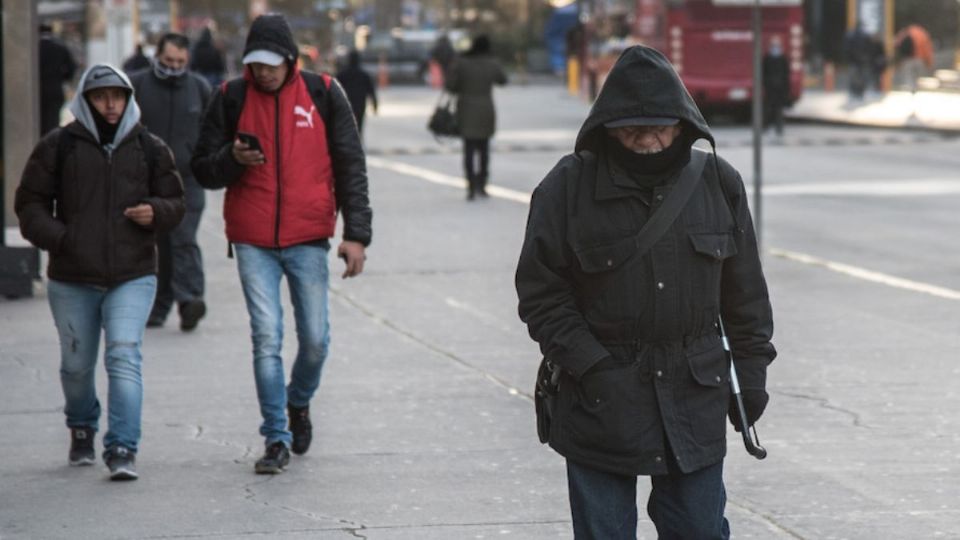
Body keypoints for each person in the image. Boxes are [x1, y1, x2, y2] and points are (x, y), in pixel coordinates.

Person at [515, 45, 776, 539]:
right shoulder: (566, 189)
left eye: (659, 126)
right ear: (608, 126)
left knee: (700, 530)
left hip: (693, 397)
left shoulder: (719, 183)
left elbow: (745, 297)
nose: (647, 140)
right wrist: (591, 365)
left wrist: (752, 371)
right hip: (600, 399)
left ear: (683, 122)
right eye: (632, 128)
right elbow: (540, 293)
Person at [191, 13, 372, 475]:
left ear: (290, 59)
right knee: (266, 337)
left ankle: (298, 402)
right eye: (256, 63)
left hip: (309, 236)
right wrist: (233, 159)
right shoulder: (230, 97)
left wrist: (356, 235)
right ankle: (275, 437)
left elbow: (351, 166)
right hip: (252, 239)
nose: (264, 72)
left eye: (272, 63)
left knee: (314, 340)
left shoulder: (324, 94)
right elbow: (203, 169)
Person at [15, 64, 184, 481]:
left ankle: (123, 446)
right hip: (72, 277)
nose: (111, 105)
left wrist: (156, 212)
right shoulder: (59, 146)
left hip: (133, 273)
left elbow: (176, 201)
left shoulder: (150, 147)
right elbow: (29, 205)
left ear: (129, 98)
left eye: (118, 96)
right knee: (76, 366)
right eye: (101, 96)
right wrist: (62, 238)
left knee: (124, 355)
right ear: (85, 100)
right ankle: (82, 425)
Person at [130, 33, 212, 331]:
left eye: (180, 62)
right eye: (168, 61)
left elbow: (210, 131)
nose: (174, 66)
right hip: (149, 180)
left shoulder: (199, 88)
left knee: (183, 237)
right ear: (157, 56)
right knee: (159, 243)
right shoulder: (137, 85)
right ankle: (159, 307)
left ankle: (190, 299)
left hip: (188, 179)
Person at [444, 35, 507, 200]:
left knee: (469, 150)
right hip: (486, 109)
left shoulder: (462, 63)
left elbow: (451, 86)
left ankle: (470, 185)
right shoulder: (492, 63)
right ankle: (482, 183)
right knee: (484, 149)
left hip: (465, 109)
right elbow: (503, 80)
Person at [38, 23, 77, 135]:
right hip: (55, 89)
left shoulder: (34, 48)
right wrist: (62, 78)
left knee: (39, 119)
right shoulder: (60, 47)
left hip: (37, 91)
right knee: (53, 120)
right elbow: (71, 68)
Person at [335, 49, 378, 135]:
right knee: (358, 125)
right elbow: (371, 90)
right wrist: (374, 104)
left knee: (346, 126)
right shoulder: (364, 75)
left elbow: (334, 91)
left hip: (345, 105)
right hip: (360, 105)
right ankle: (356, 143)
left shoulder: (342, 75)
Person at [762, 35, 790, 136]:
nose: (775, 47)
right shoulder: (767, 57)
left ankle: (779, 128)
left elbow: (786, 74)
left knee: (779, 109)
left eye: (777, 45)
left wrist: (786, 89)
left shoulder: (783, 58)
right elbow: (764, 73)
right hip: (770, 88)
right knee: (768, 108)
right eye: (774, 45)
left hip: (780, 89)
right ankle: (766, 126)